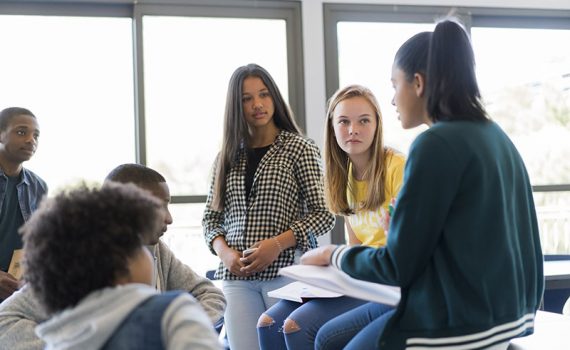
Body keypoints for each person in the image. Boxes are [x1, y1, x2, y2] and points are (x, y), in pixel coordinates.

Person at [301, 18, 544, 350]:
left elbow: (397, 267)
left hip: (459, 323)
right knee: (329, 338)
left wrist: (334, 255)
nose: (392, 100)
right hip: (509, 318)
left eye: (394, 85)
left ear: (417, 83)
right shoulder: (494, 135)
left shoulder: (435, 144)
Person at [0, 163, 226, 349]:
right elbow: (6, 318)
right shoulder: (173, 317)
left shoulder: (158, 253)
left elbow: (209, 294)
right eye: (160, 207)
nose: (169, 218)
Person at [257, 84, 405, 350]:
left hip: (385, 282)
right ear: (332, 127)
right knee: (267, 322)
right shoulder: (342, 176)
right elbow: (356, 245)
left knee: (295, 326)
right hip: (359, 275)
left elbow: (405, 247)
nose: (353, 130)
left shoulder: (397, 167)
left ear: (377, 125)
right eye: (344, 121)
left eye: (363, 121)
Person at [203, 63, 335, 350]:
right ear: (236, 106)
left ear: (274, 97)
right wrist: (225, 253)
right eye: (246, 99)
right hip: (236, 280)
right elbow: (210, 219)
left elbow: (323, 214)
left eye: (263, 94)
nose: (257, 104)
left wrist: (276, 244)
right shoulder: (225, 157)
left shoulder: (299, 148)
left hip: (286, 272)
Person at [0, 107, 47, 303]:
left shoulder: (38, 186)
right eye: (21, 132)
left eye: (36, 135)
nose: (31, 140)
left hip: (16, 291)